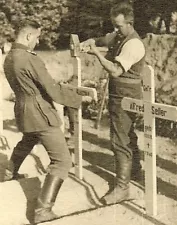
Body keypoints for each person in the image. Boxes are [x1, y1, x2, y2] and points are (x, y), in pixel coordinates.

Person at [3, 19, 72, 224]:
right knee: (62, 161)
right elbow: (52, 90)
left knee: (28, 140)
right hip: (40, 113)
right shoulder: (29, 58)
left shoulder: (9, 57)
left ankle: (8, 173)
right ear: (28, 36)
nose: (38, 41)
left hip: (24, 112)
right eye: (37, 37)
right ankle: (43, 210)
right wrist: (77, 99)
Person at [81, 2, 145, 205]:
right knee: (127, 134)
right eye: (113, 25)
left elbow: (116, 70)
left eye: (118, 26)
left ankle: (122, 188)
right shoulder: (119, 35)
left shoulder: (134, 44)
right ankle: (135, 171)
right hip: (120, 93)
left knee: (119, 139)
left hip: (126, 94)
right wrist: (93, 41)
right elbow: (104, 38)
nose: (115, 29)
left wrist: (96, 53)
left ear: (130, 22)